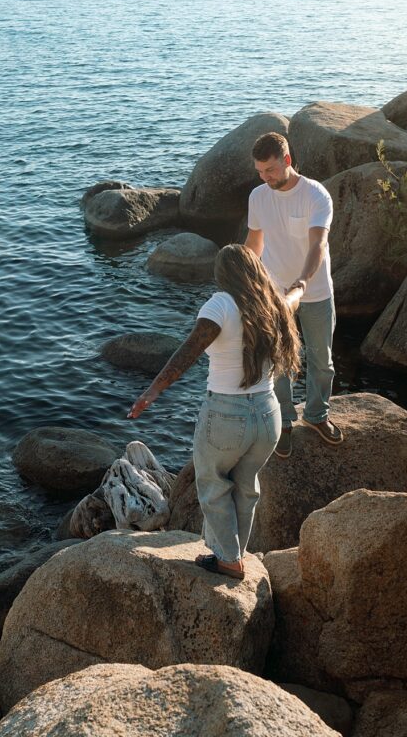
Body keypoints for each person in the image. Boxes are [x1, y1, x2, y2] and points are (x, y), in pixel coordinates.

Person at [128, 243, 301, 580]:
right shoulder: (272, 305)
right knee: (246, 485)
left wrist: (152, 391)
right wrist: (300, 288)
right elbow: (292, 301)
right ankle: (231, 553)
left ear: (223, 275)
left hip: (227, 416)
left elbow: (188, 352)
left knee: (212, 483)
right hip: (269, 416)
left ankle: (228, 560)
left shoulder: (220, 304)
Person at [245, 131, 342, 458]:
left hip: (314, 292)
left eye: (270, 170)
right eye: (260, 171)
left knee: (321, 361)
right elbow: (255, 244)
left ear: (287, 160)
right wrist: (240, 279)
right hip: (273, 294)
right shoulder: (258, 196)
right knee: (277, 362)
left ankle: (316, 416)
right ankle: (284, 422)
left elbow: (318, 245)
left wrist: (301, 284)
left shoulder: (316, 196)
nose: (264, 177)